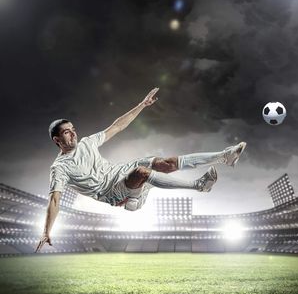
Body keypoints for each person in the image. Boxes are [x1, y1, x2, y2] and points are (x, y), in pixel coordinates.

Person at [35, 88, 246, 252]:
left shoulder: (87, 143)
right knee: (142, 173)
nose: (73, 134)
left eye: (73, 129)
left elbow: (116, 126)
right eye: (66, 132)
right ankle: (199, 185)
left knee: (165, 164)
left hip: (121, 172)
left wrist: (142, 105)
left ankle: (224, 157)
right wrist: (46, 232)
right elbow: (54, 200)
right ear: (57, 140)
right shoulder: (59, 168)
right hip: (111, 192)